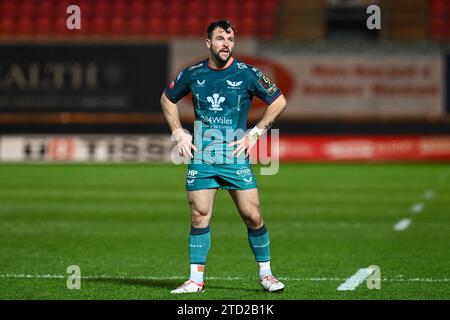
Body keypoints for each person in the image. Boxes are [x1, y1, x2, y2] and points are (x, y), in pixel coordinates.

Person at [160, 20, 287, 294]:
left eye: (230, 39)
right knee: (199, 215)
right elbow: (167, 98)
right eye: (220, 39)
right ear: (209, 43)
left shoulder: (248, 73)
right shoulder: (193, 73)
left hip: (234, 156)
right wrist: (178, 132)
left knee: (252, 215)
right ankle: (196, 280)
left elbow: (278, 100)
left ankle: (266, 274)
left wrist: (256, 133)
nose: (226, 44)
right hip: (203, 156)